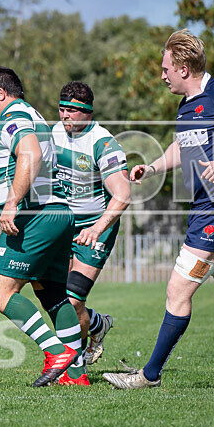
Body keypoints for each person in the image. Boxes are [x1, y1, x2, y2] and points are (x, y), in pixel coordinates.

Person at [104, 29, 214, 389]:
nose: (162, 75)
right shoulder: (187, 106)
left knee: (177, 290)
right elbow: (181, 147)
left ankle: (148, 376)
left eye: (166, 67)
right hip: (206, 208)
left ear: (184, 68)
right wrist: (153, 167)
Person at [0, 66, 80, 387]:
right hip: (58, 213)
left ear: (0, 93)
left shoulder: (13, 115)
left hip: (37, 216)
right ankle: (76, 376)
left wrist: (11, 202)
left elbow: (29, 155)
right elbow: (34, 163)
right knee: (53, 294)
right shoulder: (31, 113)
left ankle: (57, 352)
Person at [52, 81, 131, 377]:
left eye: (72, 110)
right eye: (61, 109)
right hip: (64, 225)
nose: (65, 116)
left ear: (88, 112)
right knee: (58, 297)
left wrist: (97, 228)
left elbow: (122, 196)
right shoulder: (53, 134)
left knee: (72, 300)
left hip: (97, 226)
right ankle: (98, 325)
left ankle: (76, 363)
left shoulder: (104, 144)